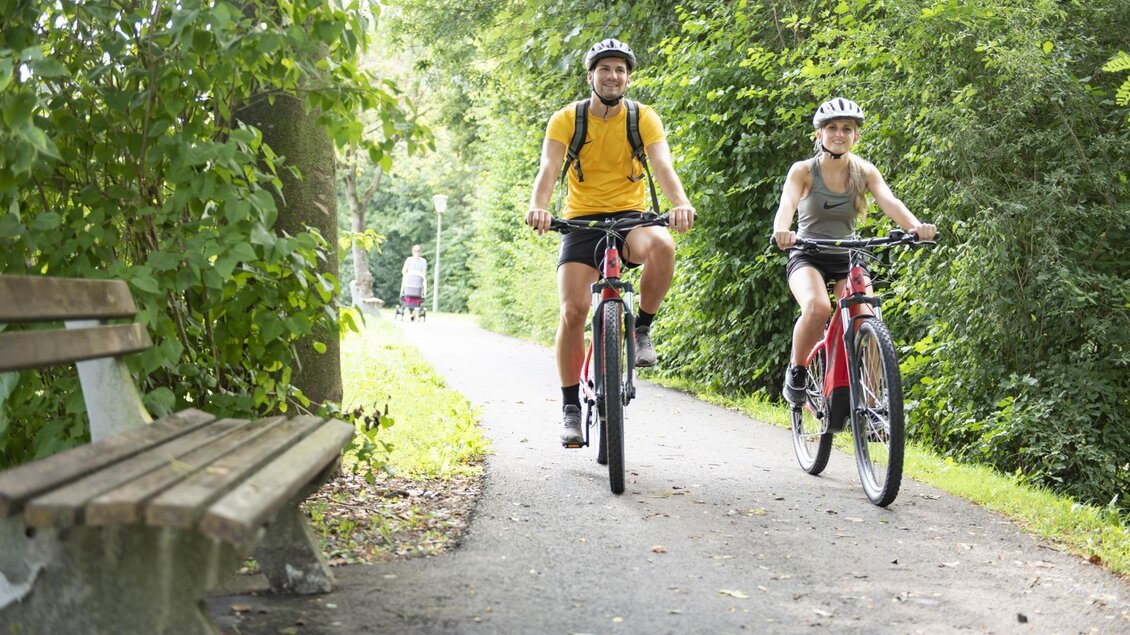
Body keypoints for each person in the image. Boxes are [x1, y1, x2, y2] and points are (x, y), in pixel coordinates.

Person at [526, 38, 696, 447]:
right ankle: (570, 408)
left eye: (620, 70)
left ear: (628, 78)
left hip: (631, 219)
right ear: (591, 76)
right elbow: (549, 167)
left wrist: (680, 203)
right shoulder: (567, 119)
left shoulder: (643, 118)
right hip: (581, 222)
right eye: (604, 69)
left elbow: (662, 164)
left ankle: (641, 330)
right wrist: (538, 207)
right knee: (573, 311)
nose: (613, 76)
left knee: (663, 246)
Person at [772, 97, 937, 405]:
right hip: (808, 254)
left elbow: (890, 202)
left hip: (847, 256)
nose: (839, 134)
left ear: (856, 136)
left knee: (867, 316)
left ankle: (872, 405)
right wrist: (782, 230)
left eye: (847, 129)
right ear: (819, 134)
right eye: (832, 128)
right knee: (818, 308)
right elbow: (787, 204)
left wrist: (917, 227)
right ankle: (797, 370)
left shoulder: (864, 172)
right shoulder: (803, 171)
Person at [400, 244, 427, 320]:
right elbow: (404, 270)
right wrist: (407, 275)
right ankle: (410, 311)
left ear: (420, 252)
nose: (416, 253)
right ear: (412, 252)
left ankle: (414, 312)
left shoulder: (423, 261)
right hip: (409, 281)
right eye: (415, 251)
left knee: (423, 283)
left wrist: (421, 276)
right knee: (404, 281)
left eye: (418, 251)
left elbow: (424, 273)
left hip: (418, 282)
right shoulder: (409, 260)